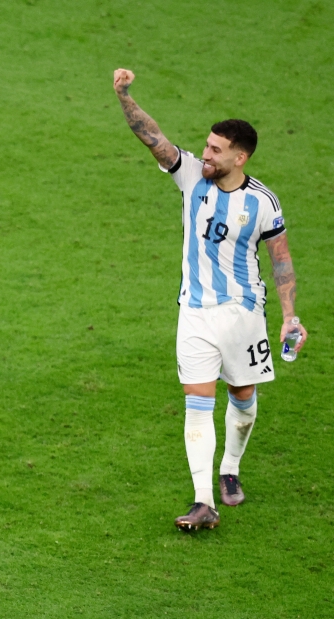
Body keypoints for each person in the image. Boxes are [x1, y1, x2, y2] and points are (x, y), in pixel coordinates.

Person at [113, 69, 307, 531]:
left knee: (242, 396)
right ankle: (204, 501)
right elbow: (152, 137)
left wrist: (290, 316)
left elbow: (280, 261)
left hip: (242, 315)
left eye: (216, 150)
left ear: (239, 157)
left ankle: (230, 468)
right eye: (206, 145)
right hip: (194, 314)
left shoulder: (262, 202)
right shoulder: (189, 178)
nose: (206, 154)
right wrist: (124, 96)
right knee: (197, 402)